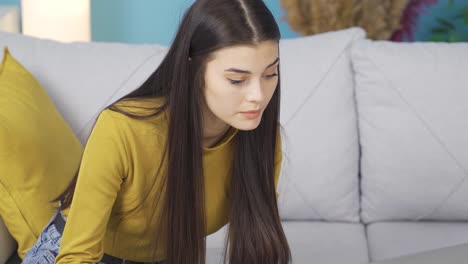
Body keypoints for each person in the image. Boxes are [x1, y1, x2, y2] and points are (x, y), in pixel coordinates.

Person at [21, 0, 291, 263]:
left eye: (270, 74)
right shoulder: (123, 129)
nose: (258, 96)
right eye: (237, 80)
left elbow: (259, 245)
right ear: (193, 67)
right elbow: (77, 255)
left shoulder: (262, 139)